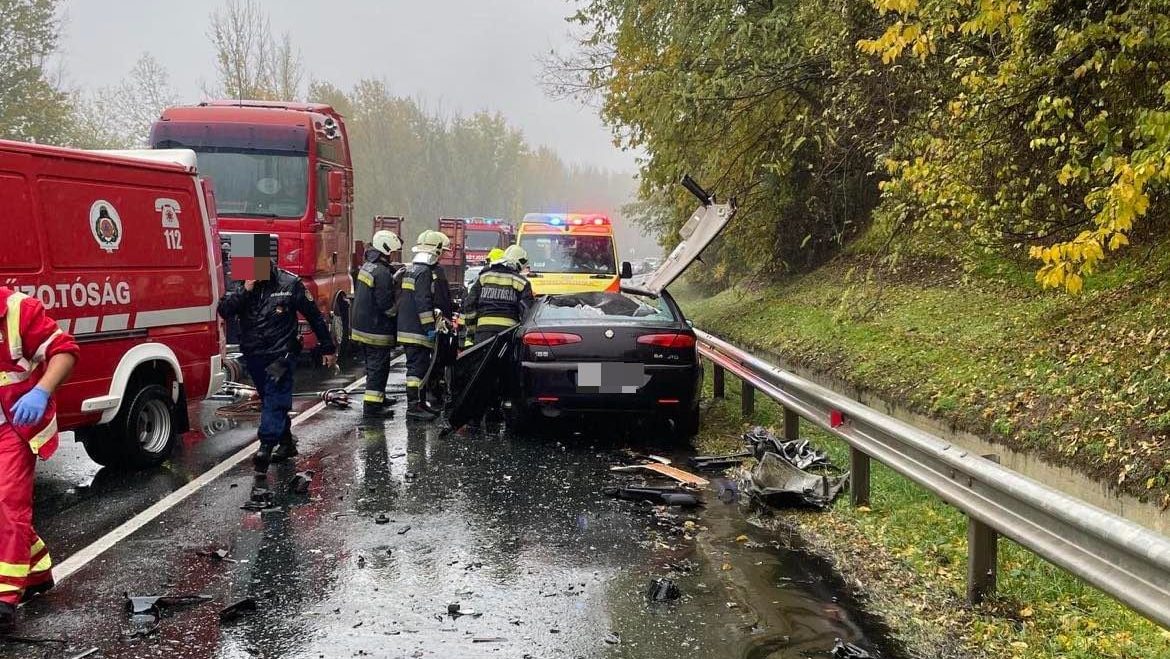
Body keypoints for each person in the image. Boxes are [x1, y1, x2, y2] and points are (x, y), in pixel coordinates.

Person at [217, 251, 336, 491]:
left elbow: (314, 316)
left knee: (275, 400)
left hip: (282, 353)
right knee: (268, 397)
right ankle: (286, 443)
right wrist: (245, 289)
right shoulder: (240, 284)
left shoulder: (290, 284)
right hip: (253, 354)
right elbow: (224, 310)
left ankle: (265, 447)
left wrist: (327, 347)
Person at [0, 287, 78, 634]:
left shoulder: (19, 310)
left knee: (7, 503)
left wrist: (41, 390)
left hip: (15, 424)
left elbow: (65, 351)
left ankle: (4, 597)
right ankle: (38, 569)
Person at [397, 230, 453, 420]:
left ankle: (420, 404)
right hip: (417, 331)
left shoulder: (413, 269)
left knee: (420, 368)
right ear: (435, 251)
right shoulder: (424, 273)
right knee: (416, 370)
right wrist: (430, 327)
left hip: (409, 328)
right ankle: (413, 407)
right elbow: (423, 302)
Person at [351, 230, 402, 417]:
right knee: (377, 367)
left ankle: (378, 398)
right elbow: (386, 305)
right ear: (385, 249)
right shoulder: (380, 271)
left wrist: (392, 279)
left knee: (376, 366)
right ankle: (372, 407)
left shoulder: (369, 266)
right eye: (392, 252)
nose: (393, 255)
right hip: (375, 329)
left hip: (363, 326)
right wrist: (398, 313)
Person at [463, 245, 534, 345]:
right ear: (519, 263)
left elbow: (469, 304)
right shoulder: (522, 282)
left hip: (483, 331)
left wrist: (471, 331)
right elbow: (527, 311)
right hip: (508, 332)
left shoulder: (484, 277)